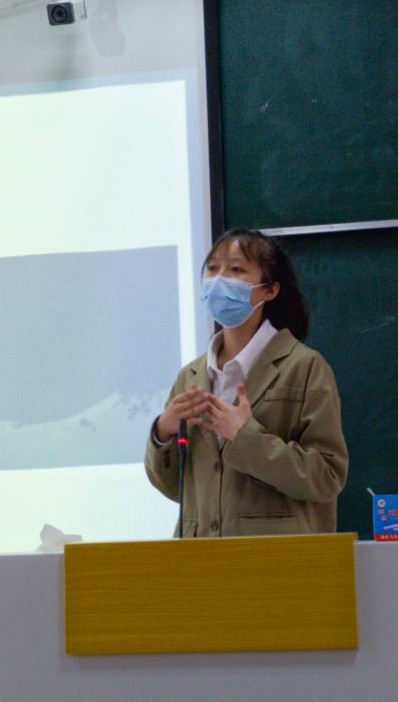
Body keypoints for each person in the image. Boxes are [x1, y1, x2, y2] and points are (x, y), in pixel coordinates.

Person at [145, 229, 349, 537]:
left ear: (270, 290)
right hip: (199, 557)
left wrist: (245, 437)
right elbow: (179, 489)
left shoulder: (304, 367)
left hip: (274, 556)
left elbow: (326, 477)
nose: (219, 280)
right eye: (213, 268)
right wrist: (163, 433)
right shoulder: (191, 376)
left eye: (236, 269)